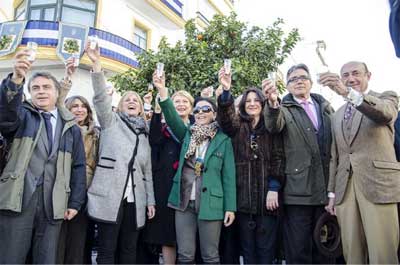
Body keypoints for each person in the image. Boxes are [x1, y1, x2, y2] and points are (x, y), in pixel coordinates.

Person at [0, 50, 86, 264]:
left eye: (46, 87)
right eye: (35, 88)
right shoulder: (22, 115)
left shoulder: (71, 127)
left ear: (57, 94)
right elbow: (6, 116)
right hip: (18, 199)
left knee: (47, 259)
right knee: (10, 257)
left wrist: (75, 202)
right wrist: (17, 79)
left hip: (54, 202)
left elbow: (78, 166)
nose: (41, 92)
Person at [154, 69, 236, 264]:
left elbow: (229, 177)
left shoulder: (223, 140)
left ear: (214, 114)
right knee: (185, 255)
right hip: (184, 203)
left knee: (210, 255)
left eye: (205, 109)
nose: (200, 113)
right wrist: (162, 91)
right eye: (197, 110)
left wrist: (230, 208)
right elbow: (172, 118)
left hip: (211, 204)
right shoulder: (187, 134)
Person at [321, 61, 400, 263]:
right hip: (345, 192)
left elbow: (385, 113)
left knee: (382, 253)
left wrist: (348, 94)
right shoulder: (337, 115)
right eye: (345, 75)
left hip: (377, 186)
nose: (350, 79)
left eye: (356, 73)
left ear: (368, 75)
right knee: (352, 253)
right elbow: (335, 156)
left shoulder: (386, 98)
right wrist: (332, 194)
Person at [85, 42, 155, 264]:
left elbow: (148, 173)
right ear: (120, 105)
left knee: (128, 250)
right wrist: (97, 65)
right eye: (128, 100)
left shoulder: (145, 134)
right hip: (110, 194)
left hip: (136, 198)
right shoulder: (110, 121)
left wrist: (151, 201)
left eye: (136, 100)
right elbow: (101, 99)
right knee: (106, 250)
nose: (132, 102)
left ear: (142, 109)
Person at [263, 63, 334, 263]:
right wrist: (272, 103)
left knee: (325, 249)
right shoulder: (283, 109)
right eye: (293, 79)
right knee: (298, 250)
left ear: (311, 82)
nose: (299, 81)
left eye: (303, 77)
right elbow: (273, 125)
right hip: (297, 194)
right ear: (287, 86)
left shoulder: (326, 108)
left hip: (326, 193)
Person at [217, 67, 285, 264]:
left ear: (263, 103)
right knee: (248, 253)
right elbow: (225, 119)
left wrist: (274, 188)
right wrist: (226, 91)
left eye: (257, 100)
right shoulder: (238, 127)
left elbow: (279, 158)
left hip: (268, 201)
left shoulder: (272, 127)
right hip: (243, 200)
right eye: (249, 101)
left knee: (266, 253)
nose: (253, 104)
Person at [143, 90, 194, 264]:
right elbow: (154, 139)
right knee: (167, 234)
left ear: (191, 107)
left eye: (184, 101)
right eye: (176, 101)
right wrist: (157, 112)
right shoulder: (164, 129)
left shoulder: (198, 130)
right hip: (165, 186)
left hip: (190, 187)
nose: (180, 104)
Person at [56, 87, 100, 262]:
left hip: (88, 190)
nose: (79, 109)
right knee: (60, 237)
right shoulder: (61, 129)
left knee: (82, 238)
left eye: (83, 106)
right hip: (62, 186)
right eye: (74, 106)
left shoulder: (96, 133)